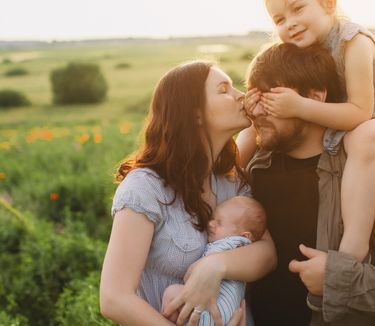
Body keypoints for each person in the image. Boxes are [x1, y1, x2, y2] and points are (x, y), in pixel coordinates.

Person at [245, 43, 375, 325]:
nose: (259, 111)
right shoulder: (255, 171)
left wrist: (338, 279)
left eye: (272, 98)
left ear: (315, 96)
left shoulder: (372, 174)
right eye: (254, 98)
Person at [237, 0, 375, 264]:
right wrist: (255, 104)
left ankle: (353, 246)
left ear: (328, 4)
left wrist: (298, 105)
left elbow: (360, 113)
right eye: (279, 20)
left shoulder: (354, 43)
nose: (290, 23)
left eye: (298, 8)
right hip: (347, 124)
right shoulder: (303, 45)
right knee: (251, 133)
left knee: (365, 138)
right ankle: (224, 183)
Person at [99, 61, 277, 326]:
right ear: (194, 113)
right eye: (223, 89)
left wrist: (216, 266)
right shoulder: (146, 187)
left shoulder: (231, 182)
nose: (240, 95)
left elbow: (267, 254)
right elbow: (115, 298)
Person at [162, 196, 267, 325]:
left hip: (213, 312)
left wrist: (194, 270)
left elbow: (192, 274)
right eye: (212, 219)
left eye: (220, 222)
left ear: (244, 235)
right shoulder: (245, 249)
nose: (210, 224)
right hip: (226, 315)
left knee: (171, 293)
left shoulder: (232, 243)